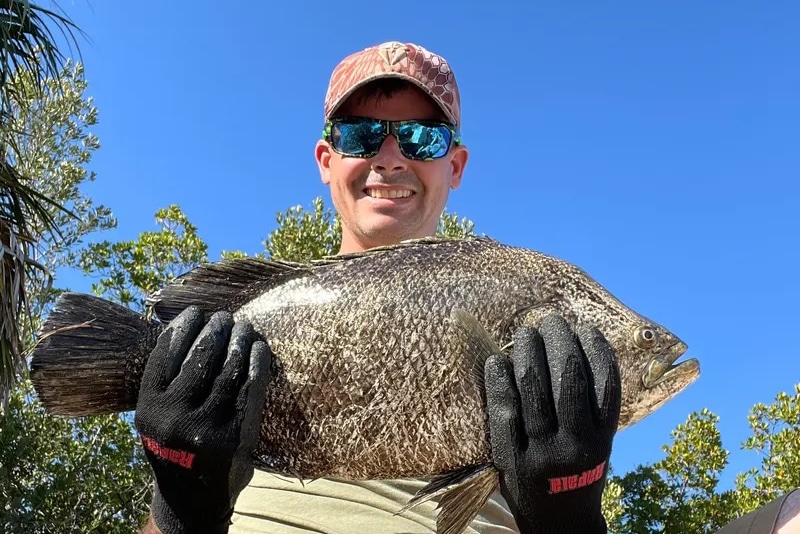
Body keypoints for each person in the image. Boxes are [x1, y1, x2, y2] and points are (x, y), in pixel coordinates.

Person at [133, 41, 799, 534]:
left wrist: (568, 521)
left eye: (421, 136)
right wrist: (179, 509)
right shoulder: (236, 343)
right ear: (327, 160)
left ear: (455, 164)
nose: (391, 156)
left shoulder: (550, 371)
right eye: (364, 134)